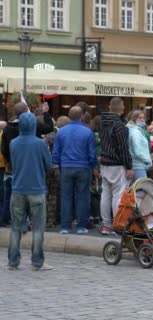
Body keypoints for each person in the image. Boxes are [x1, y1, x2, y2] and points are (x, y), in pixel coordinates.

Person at [8, 112, 53, 271]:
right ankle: (37, 261)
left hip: (18, 189)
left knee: (15, 227)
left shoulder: (13, 143)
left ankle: (13, 261)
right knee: (38, 227)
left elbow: (13, 163)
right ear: (34, 125)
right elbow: (48, 165)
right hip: (36, 189)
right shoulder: (40, 144)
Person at [1, 102, 54, 233]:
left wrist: (11, 161)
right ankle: (31, 221)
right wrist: (46, 113)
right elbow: (49, 128)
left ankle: (12, 220)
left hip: (14, 166)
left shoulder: (8, 128)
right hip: (32, 165)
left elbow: (4, 148)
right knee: (32, 194)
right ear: (26, 112)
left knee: (12, 193)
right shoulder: (33, 125)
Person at [52, 106, 97, 234]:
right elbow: (92, 154)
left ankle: (65, 226)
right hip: (83, 167)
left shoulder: (61, 132)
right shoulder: (87, 132)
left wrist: (59, 163)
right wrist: (92, 165)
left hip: (66, 167)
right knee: (82, 196)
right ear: (82, 116)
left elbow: (56, 153)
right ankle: (81, 225)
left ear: (69, 116)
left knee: (66, 196)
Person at [99, 97, 133, 235]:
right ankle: (117, 224)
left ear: (109, 107)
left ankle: (106, 224)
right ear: (122, 108)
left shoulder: (102, 122)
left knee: (105, 194)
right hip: (117, 164)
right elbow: (123, 148)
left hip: (105, 162)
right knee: (118, 195)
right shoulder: (120, 126)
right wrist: (129, 166)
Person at [127, 110, 152, 182]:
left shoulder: (133, 129)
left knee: (134, 189)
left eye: (143, 118)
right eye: (139, 118)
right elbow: (137, 151)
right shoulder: (135, 132)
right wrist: (147, 160)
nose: (142, 120)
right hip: (138, 165)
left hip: (135, 164)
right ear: (134, 118)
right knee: (143, 188)